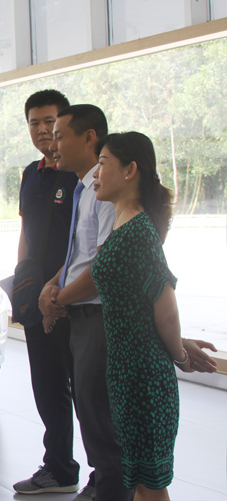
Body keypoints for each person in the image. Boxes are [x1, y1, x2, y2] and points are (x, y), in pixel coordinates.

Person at [90, 132, 218, 501]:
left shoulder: (137, 233)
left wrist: (180, 354)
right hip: (128, 374)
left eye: (103, 163)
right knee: (142, 483)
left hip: (145, 379)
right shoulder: (125, 226)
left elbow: (166, 309)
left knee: (150, 486)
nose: (96, 172)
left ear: (130, 170)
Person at [38, 104, 134, 501]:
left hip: (99, 316)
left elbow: (103, 267)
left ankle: (113, 490)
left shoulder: (105, 190)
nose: (52, 144)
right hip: (81, 315)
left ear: (89, 137)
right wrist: (52, 284)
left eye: (60, 136)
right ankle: (103, 485)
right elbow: (80, 255)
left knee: (102, 421)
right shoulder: (83, 187)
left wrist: (57, 297)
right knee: (91, 416)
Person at [12, 90, 89, 497]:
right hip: (36, 301)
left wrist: (61, 289)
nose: (43, 130)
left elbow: (86, 243)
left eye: (50, 123)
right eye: (34, 123)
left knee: (88, 389)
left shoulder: (82, 173)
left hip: (77, 299)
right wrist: (21, 282)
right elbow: (26, 231)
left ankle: (106, 475)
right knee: (47, 386)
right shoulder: (31, 174)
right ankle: (59, 468)